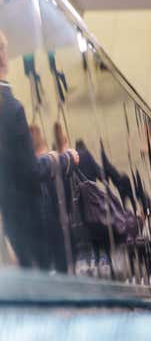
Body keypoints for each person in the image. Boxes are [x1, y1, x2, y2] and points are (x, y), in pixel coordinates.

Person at [0, 31, 79, 269]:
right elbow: (30, 172)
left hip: (11, 219)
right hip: (31, 218)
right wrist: (62, 159)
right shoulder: (11, 108)